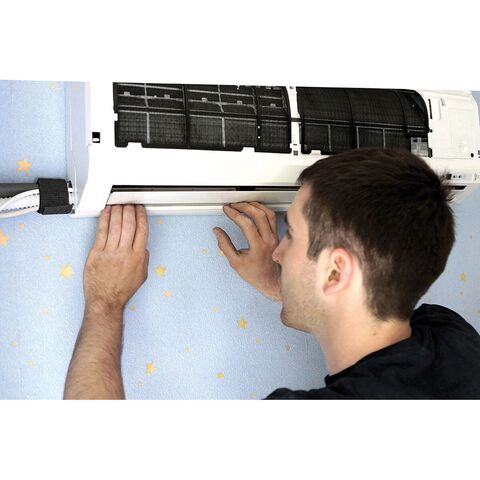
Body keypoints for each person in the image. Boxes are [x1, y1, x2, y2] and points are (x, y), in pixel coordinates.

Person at [64, 148, 480, 399]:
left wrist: (105, 304)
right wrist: (282, 285)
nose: (278, 252)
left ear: (335, 273)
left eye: (291, 234)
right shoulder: (453, 339)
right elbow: (362, 317)